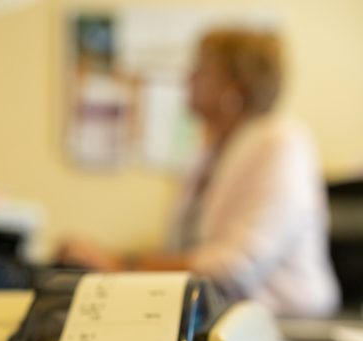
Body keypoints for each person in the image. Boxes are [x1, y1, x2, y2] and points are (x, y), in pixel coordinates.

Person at [57, 27, 341, 318]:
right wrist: (108, 260)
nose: (187, 78)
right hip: (222, 318)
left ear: (235, 87)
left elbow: (234, 267)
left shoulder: (280, 143)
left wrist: (122, 265)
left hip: (288, 331)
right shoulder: (207, 152)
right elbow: (181, 251)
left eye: (202, 69)